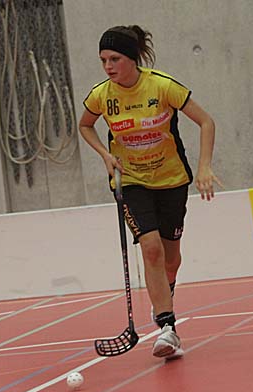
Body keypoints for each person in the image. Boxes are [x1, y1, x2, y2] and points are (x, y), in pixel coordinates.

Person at [78, 25, 220, 358]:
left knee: (171, 258)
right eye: (103, 60)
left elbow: (207, 122)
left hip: (171, 180)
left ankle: (164, 294)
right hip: (131, 181)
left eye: (115, 59)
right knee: (151, 249)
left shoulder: (162, 86)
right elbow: (85, 125)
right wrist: (105, 155)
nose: (108, 66)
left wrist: (204, 167)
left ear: (132, 58)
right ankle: (167, 328)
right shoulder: (101, 95)